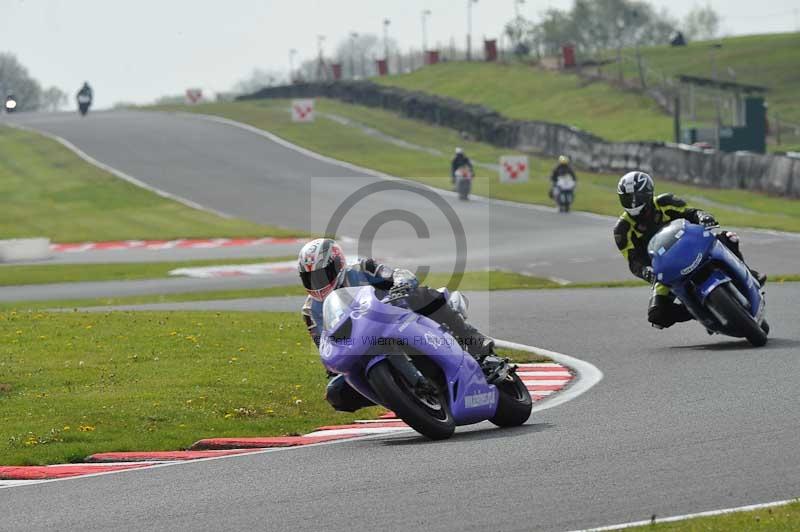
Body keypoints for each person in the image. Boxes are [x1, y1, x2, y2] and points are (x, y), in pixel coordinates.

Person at [298, 238, 508, 412]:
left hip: (399, 316)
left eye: (322, 275)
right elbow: (322, 343)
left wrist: (400, 285)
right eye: (310, 278)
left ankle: (479, 347)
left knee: (424, 297)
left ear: (338, 264)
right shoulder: (310, 311)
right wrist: (333, 368)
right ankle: (402, 395)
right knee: (336, 393)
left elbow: (397, 275)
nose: (317, 283)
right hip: (361, 342)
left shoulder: (362, 269)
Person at [613, 171, 766, 329]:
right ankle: (698, 309)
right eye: (627, 198)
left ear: (648, 193)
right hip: (665, 271)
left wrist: (703, 217)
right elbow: (633, 261)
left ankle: (749, 275)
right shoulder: (622, 230)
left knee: (728, 238)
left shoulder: (666, 201)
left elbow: (692, 213)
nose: (633, 204)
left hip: (693, 247)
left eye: (636, 198)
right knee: (657, 315)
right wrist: (646, 271)